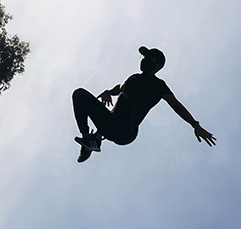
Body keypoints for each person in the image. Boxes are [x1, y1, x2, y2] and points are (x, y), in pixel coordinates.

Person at [72, 46, 216, 162]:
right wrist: (107, 92)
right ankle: (89, 140)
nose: (144, 59)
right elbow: (119, 87)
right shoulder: (133, 78)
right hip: (110, 123)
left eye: (149, 58)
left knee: (124, 100)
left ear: (157, 65)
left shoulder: (158, 85)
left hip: (126, 132)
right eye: (144, 57)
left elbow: (176, 105)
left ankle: (97, 137)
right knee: (79, 94)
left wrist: (195, 125)